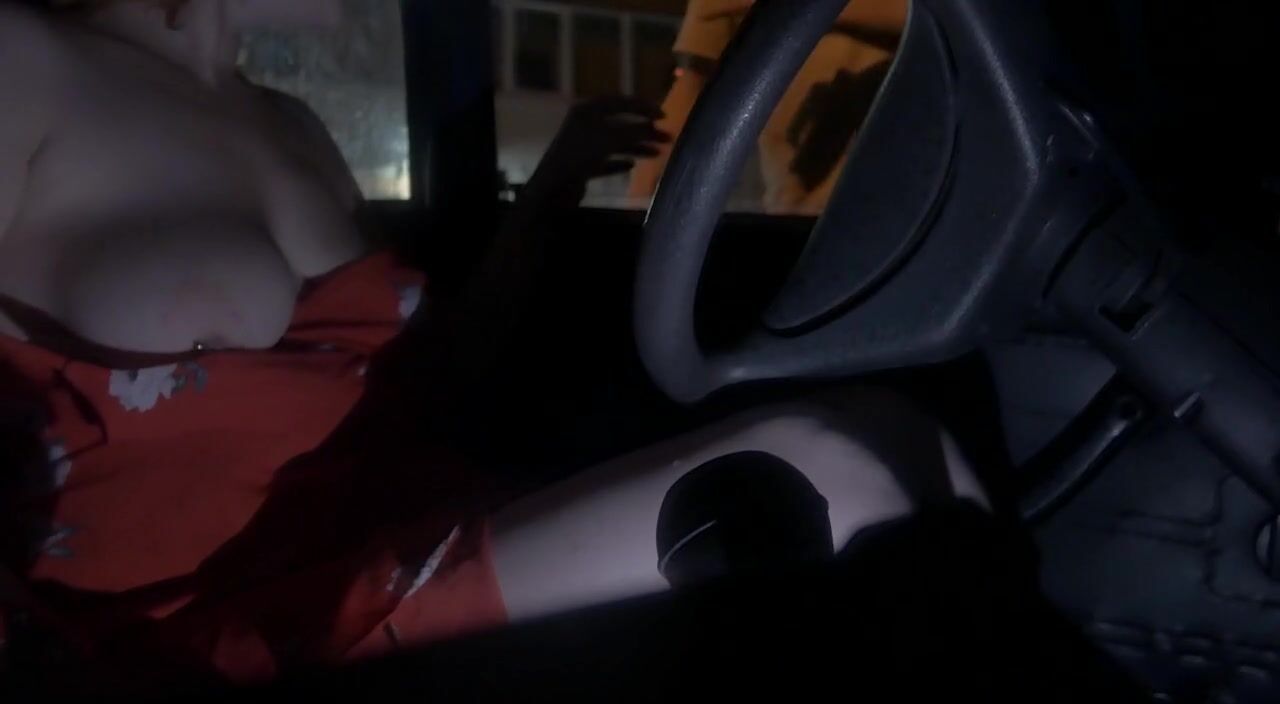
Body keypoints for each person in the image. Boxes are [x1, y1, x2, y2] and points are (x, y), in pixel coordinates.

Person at [1, 0, 991, 695]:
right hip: (192, 636)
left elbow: (417, 380)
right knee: (827, 475)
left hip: (397, 538)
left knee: (905, 439)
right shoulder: (26, 59)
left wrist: (547, 196)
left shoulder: (289, 123)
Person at [628, 0, 908, 214]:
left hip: (890, 203)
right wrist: (639, 198)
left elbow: (922, 13)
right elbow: (692, 82)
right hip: (790, 207)